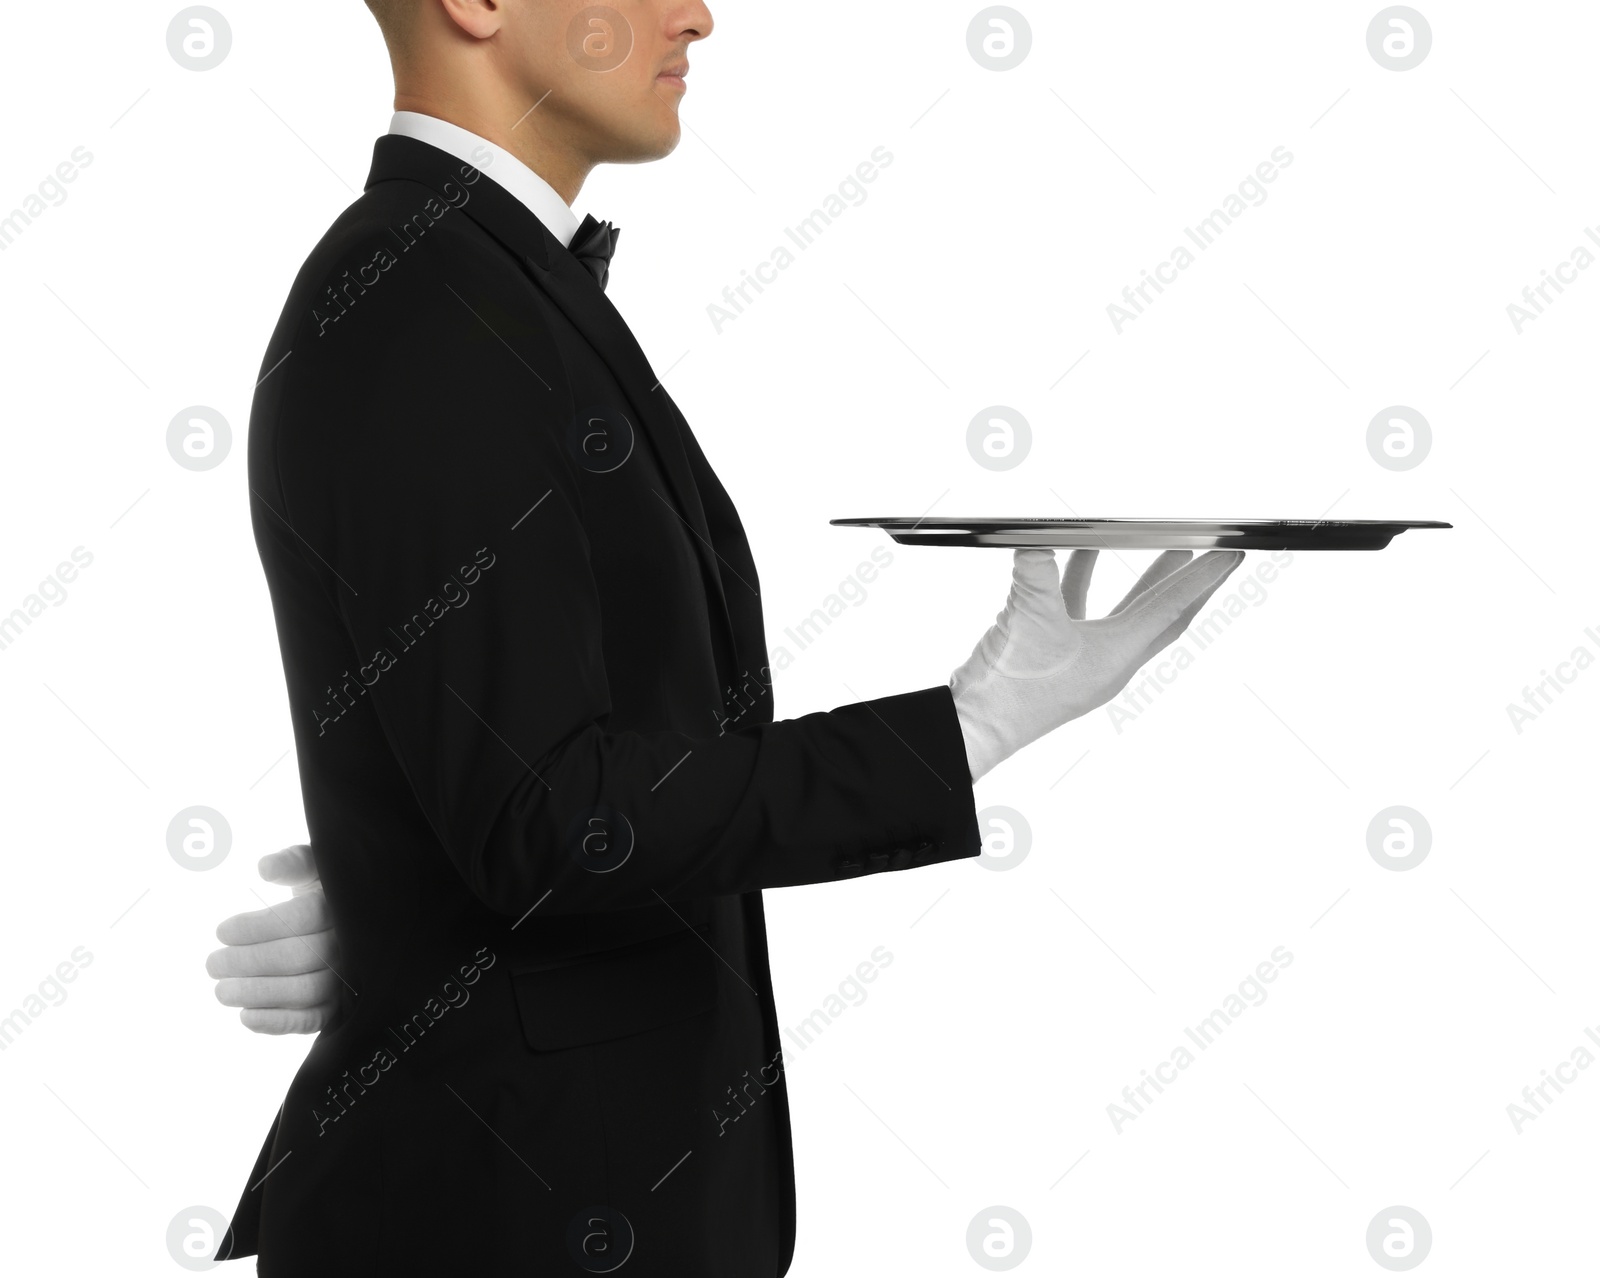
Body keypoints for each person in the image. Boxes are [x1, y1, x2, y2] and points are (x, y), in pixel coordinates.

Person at [208, 0, 1243, 1270]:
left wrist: (403, 905)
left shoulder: (468, 283)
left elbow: (504, 782)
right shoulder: (421, 307)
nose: (697, 14)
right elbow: (550, 821)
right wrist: (976, 722)